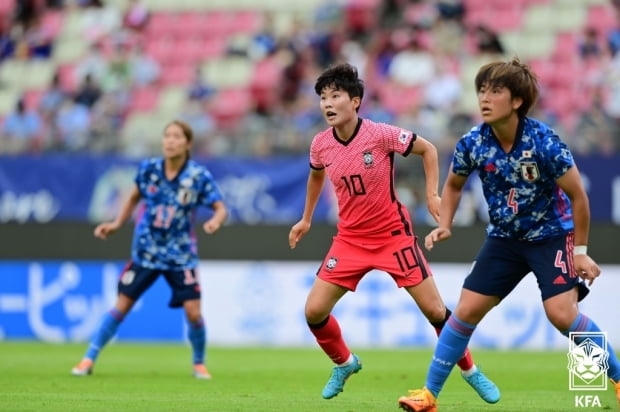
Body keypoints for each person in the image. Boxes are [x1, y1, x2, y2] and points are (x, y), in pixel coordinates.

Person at [397, 57, 620, 411]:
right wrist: (446, 224)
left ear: (516, 100)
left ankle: (618, 378)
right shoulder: (472, 142)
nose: (484, 98)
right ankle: (428, 396)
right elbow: (453, 185)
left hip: (551, 236)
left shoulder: (544, 142)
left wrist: (580, 250)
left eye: (495, 91)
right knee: (464, 312)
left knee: (562, 315)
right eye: (481, 90)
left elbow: (579, 197)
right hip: (503, 239)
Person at [288, 62, 499, 402]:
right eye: (323, 97)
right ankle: (344, 363)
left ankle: (471, 371)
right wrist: (307, 218)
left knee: (435, 312)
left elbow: (428, 149)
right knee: (313, 311)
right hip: (350, 240)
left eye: (335, 96)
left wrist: (432, 194)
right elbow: (316, 175)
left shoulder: (380, 134)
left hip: (392, 237)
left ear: (355, 101)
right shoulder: (321, 144)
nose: (327, 104)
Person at [71, 120, 228, 379]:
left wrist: (215, 221)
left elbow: (220, 208)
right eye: (167, 136)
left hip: (181, 254)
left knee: (194, 312)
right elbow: (133, 196)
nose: (170, 141)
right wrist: (117, 223)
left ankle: (199, 363)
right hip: (147, 250)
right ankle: (88, 359)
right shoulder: (149, 169)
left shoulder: (198, 176)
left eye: (177, 136)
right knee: (121, 306)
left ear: (188, 143)